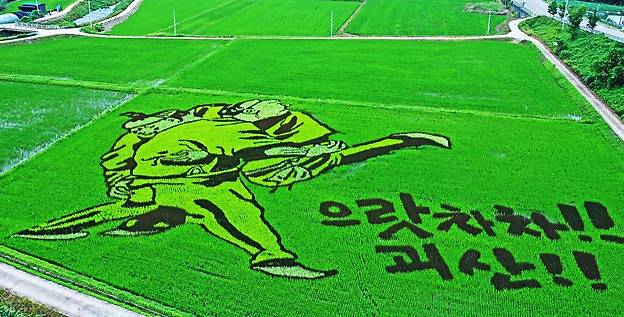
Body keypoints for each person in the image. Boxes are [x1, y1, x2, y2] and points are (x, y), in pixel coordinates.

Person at [15, 100, 451, 279]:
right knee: (227, 212)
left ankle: (65, 227)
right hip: (184, 181)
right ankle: (272, 258)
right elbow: (269, 153)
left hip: (204, 176)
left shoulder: (211, 123)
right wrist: (324, 149)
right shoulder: (232, 131)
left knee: (217, 207)